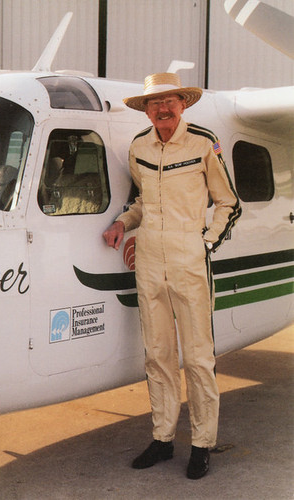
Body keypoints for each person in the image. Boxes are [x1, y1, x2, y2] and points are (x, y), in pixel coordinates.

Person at [103, 73, 241, 479]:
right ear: (146, 109)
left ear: (183, 104)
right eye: (154, 103)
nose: (163, 108)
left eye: (170, 101)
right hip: (149, 261)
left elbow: (228, 202)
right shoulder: (139, 147)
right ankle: (163, 439)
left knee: (198, 358)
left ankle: (202, 444)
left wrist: (207, 243)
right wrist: (121, 223)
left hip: (188, 260)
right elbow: (142, 202)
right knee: (157, 355)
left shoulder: (202, 143)